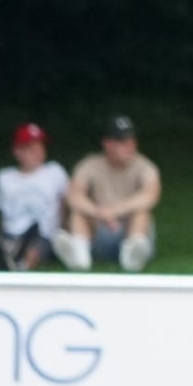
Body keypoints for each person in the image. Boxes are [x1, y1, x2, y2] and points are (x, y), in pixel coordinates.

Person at [54, 116, 161, 272]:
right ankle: (80, 257)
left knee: (141, 213)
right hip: (101, 229)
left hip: (130, 230)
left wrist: (114, 211)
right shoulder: (90, 165)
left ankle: (133, 258)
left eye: (131, 140)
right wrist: (99, 213)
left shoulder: (145, 166)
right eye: (122, 142)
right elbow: (74, 196)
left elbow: (150, 195)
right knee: (78, 214)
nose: (129, 146)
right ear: (107, 144)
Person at [0, 123, 71, 272]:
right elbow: (2, 213)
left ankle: (21, 265)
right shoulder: (5, 177)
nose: (38, 153)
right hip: (14, 232)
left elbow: (64, 205)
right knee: (6, 240)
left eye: (40, 148)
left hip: (44, 233)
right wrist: (0, 232)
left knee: (38, 245)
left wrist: (64, 229)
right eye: (32, 149)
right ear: (18, 152)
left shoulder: (54, 172)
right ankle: (9, 251)